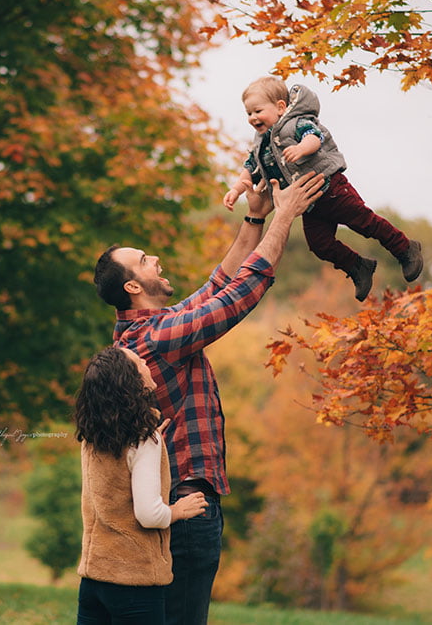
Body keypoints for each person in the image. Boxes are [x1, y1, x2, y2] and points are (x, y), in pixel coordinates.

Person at [93, 170, 325, 625]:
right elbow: (240, 294)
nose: (155, 258)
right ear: (133, 287)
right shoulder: (159, 337)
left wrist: (254, 219)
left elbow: (216, 285)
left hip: (181, 507)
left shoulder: (148, 327)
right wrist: (286, 215)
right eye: (144, 260)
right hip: (186, 509)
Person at [223, 76, 424, 301]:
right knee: (319, 244)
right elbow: (251, 167)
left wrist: (301, 148)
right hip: (309, 203)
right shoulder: (261, 143)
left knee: (365, 222)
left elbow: (314, 138)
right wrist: (236, 190)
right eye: (248, 113)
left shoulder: (295, 123)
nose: (252, 118)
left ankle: (405, 248)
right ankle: (359, 266)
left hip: (331, 188)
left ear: (280, 107)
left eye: (257, 111)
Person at [75, 346, 209, 625]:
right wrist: (177, 511)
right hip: (134, 581)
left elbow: (113, 483)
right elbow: (148, 515)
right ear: (130, 380)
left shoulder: (91, 436)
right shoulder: (143, 439)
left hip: (94, 578)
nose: (146, 363)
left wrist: (150, 448)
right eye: (139, 362)